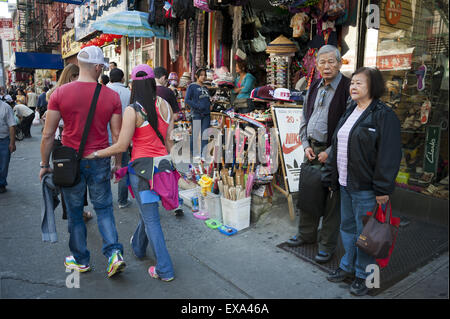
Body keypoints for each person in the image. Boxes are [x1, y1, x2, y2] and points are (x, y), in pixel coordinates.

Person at [39, 46, 126, 278]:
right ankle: (114, 254)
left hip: (69, 162)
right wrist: (117, 164)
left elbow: (48, 135)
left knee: (76, 213)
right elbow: (117, 137)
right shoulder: (112, 96)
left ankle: (80, 260)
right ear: (98, 67)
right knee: (104, 209)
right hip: (99, 159)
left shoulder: (59, 93)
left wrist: (44, 164)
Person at [85, 64, 176, 282]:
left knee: (151, 218)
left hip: (143, 171)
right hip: (163, 167)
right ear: (154, 81)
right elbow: (170, 142)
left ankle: (165, 269)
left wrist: (96, 154)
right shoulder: (165, 105)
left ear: (133, 84)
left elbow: (121, 145)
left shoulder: (132, 110)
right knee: (149, 212)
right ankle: (138, 246)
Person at [323, 67, 402, 296]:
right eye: (352, 83)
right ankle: (348, 267)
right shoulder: (350, 110)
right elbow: (338, 146)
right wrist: (332, 177)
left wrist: (383, 188)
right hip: (347, 184)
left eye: (359, 83)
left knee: (367, 236)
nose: (353, 87)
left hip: (367, 189)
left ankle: (364, 276)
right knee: (347, 228)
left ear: (373, 87)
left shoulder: (383, 115)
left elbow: (389, 155)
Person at [286, 45, 351, 264]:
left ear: (340, 63)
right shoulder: (314, 86)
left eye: (331, 61)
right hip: (311, 150)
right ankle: (306, 234)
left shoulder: (347, 88)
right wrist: (305, 144)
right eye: (321, 62)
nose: (326, 66)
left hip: (334, 152)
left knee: (332, 200)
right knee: (308, 194)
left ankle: (326, 245)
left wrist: (331, 152)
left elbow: (349, 126)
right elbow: (304, 117)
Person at [45, 63, 92, 222]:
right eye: (78, 76)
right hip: (65, 141)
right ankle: (74, 213)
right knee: (69, 178)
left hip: (65, 142)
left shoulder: (56, 93)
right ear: (72, 76)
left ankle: (76, 212)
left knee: (72, 178)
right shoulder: (58, 94)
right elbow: (52, 124)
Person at [106, 68, 132, 209]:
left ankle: (106, 200)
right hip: (123, 136)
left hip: (104, 136)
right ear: (122, 79)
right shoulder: (129, 92)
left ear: (110, 78)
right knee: (122, 167)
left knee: (104, 169)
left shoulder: (103, 91)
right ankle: (122, 200)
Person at [185, 68, 211, 159]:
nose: (203, 77)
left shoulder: (205, 87)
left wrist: (210, 104)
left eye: (205, 75)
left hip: (206, 114)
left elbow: (206, 99)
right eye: (201, 75)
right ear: (197, 76)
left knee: (205, 134)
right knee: (195, 134)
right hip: (196, 114)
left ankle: (203, 155)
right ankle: (194, 153)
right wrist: (197, 106)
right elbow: (187, 100)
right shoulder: (192, 86)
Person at [0, 98, 16, 193]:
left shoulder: (5, 107)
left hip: (4, 140)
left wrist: (12, 143)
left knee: (3, 165)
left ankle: (1, 183)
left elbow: (12, 126)